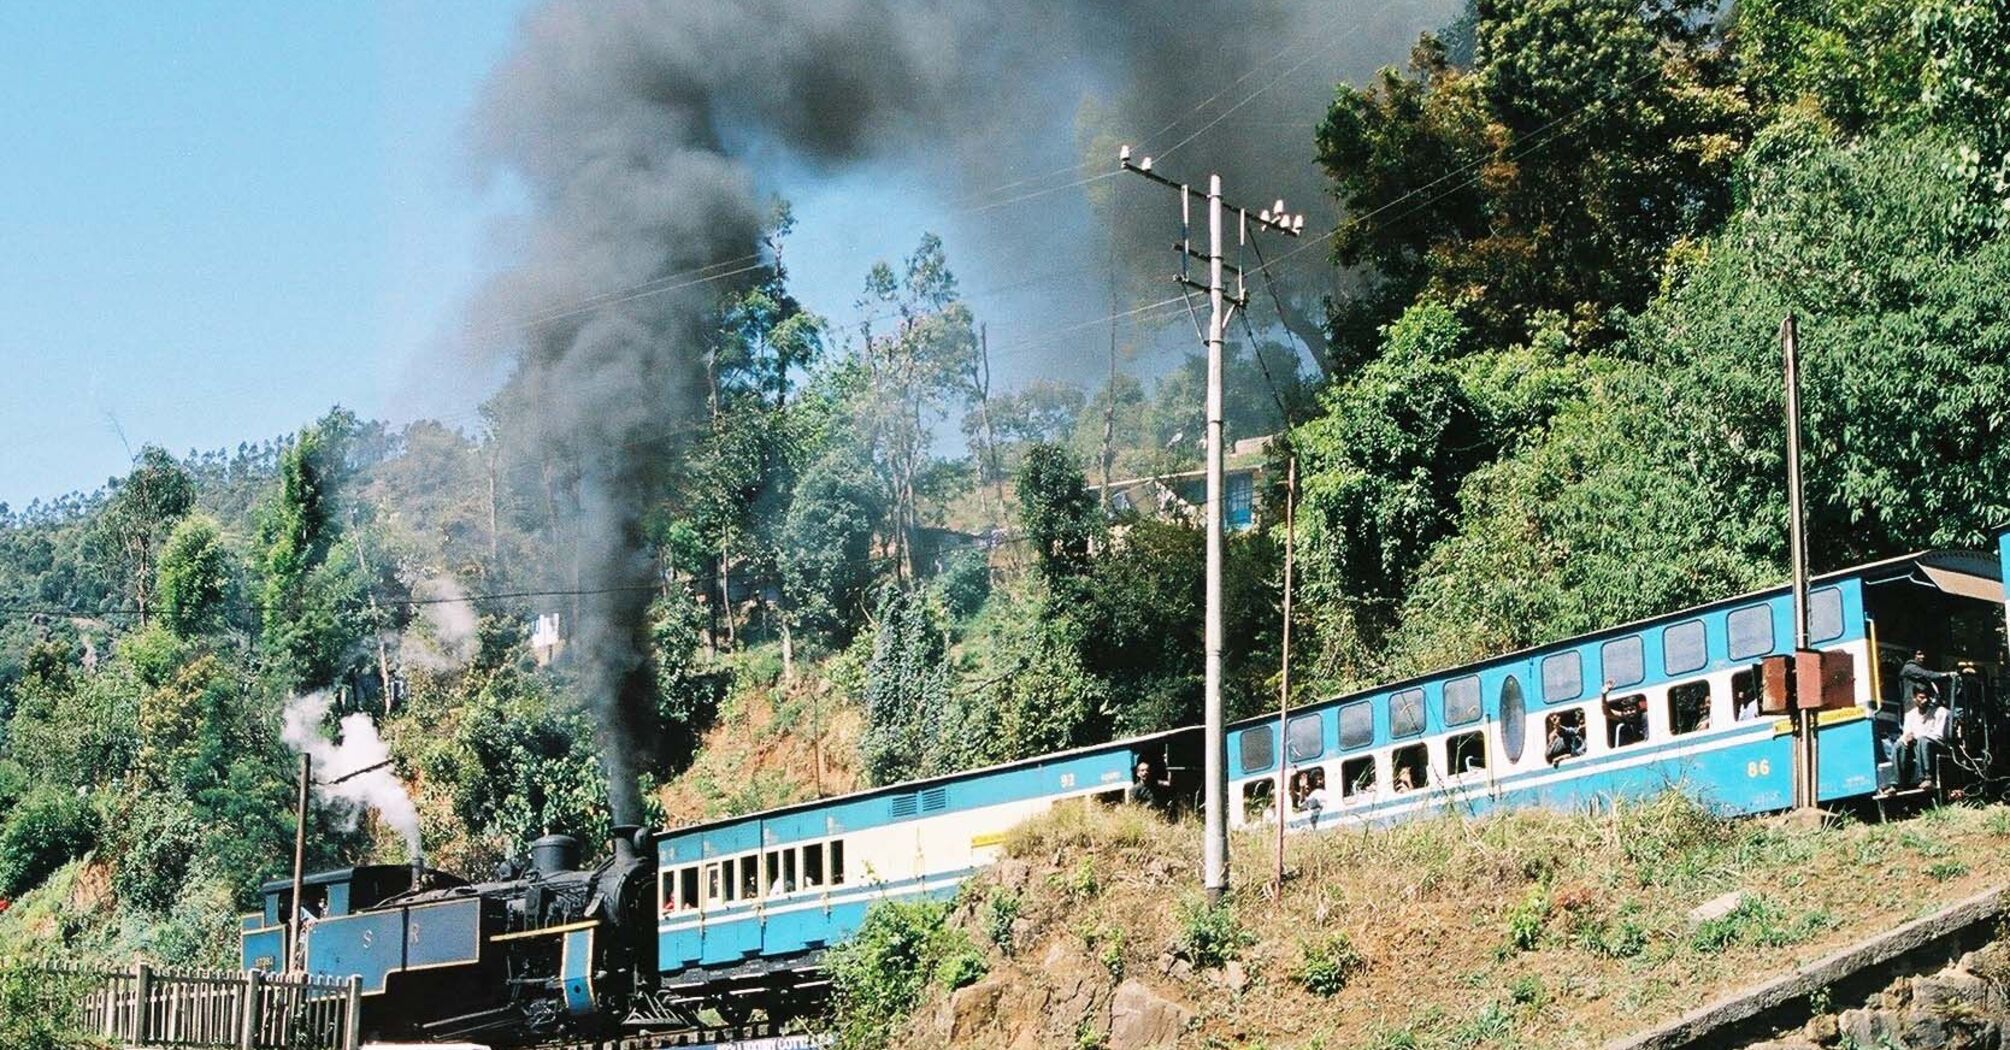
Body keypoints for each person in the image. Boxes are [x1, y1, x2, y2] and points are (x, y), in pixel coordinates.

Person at [1891, 687, 1950, 792]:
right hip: (1918, 746)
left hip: (1936, 746)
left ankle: (1927, 778)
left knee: (1923, 740)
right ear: (1914, 698)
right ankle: (1899, 783)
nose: (1925, 700)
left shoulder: (1941, 712)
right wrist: (1907, 739)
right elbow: (1907, 733)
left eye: (1927, 697)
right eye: (1921, 697)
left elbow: (1939, 736)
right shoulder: (1910, 715)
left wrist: (1918, 738)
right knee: (1898, 745)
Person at [1601, 681, 1646, 746]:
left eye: (1631, 709)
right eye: (1626, 710)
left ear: (1638, 709)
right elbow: (1607, 712)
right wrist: (1604, 696)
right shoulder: (1625, 717)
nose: (1628, 713)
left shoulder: (1645, 716)